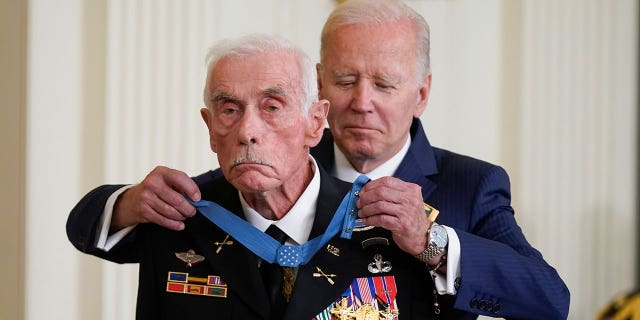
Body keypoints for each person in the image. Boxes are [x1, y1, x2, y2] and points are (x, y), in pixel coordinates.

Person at [68, 0, 570, 319]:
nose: (362, 102)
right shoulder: (263, 167)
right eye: (346, 81)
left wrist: (433, 241)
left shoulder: (471, 185)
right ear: (320, 95)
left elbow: (548, 300)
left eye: (385, 84)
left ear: (421, 94)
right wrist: (128, 202)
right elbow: (116, 223)